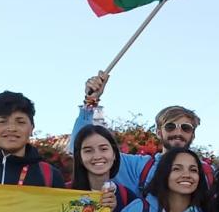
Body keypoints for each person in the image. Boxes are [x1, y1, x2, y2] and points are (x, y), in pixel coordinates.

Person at [76, 71, 210, 197]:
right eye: (170, 127)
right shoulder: (136, 166)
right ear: (159, 132)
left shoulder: (207, 172)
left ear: (193, 135)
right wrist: (91, 100)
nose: (178, 132)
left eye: (186, 128)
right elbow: (81, 146)